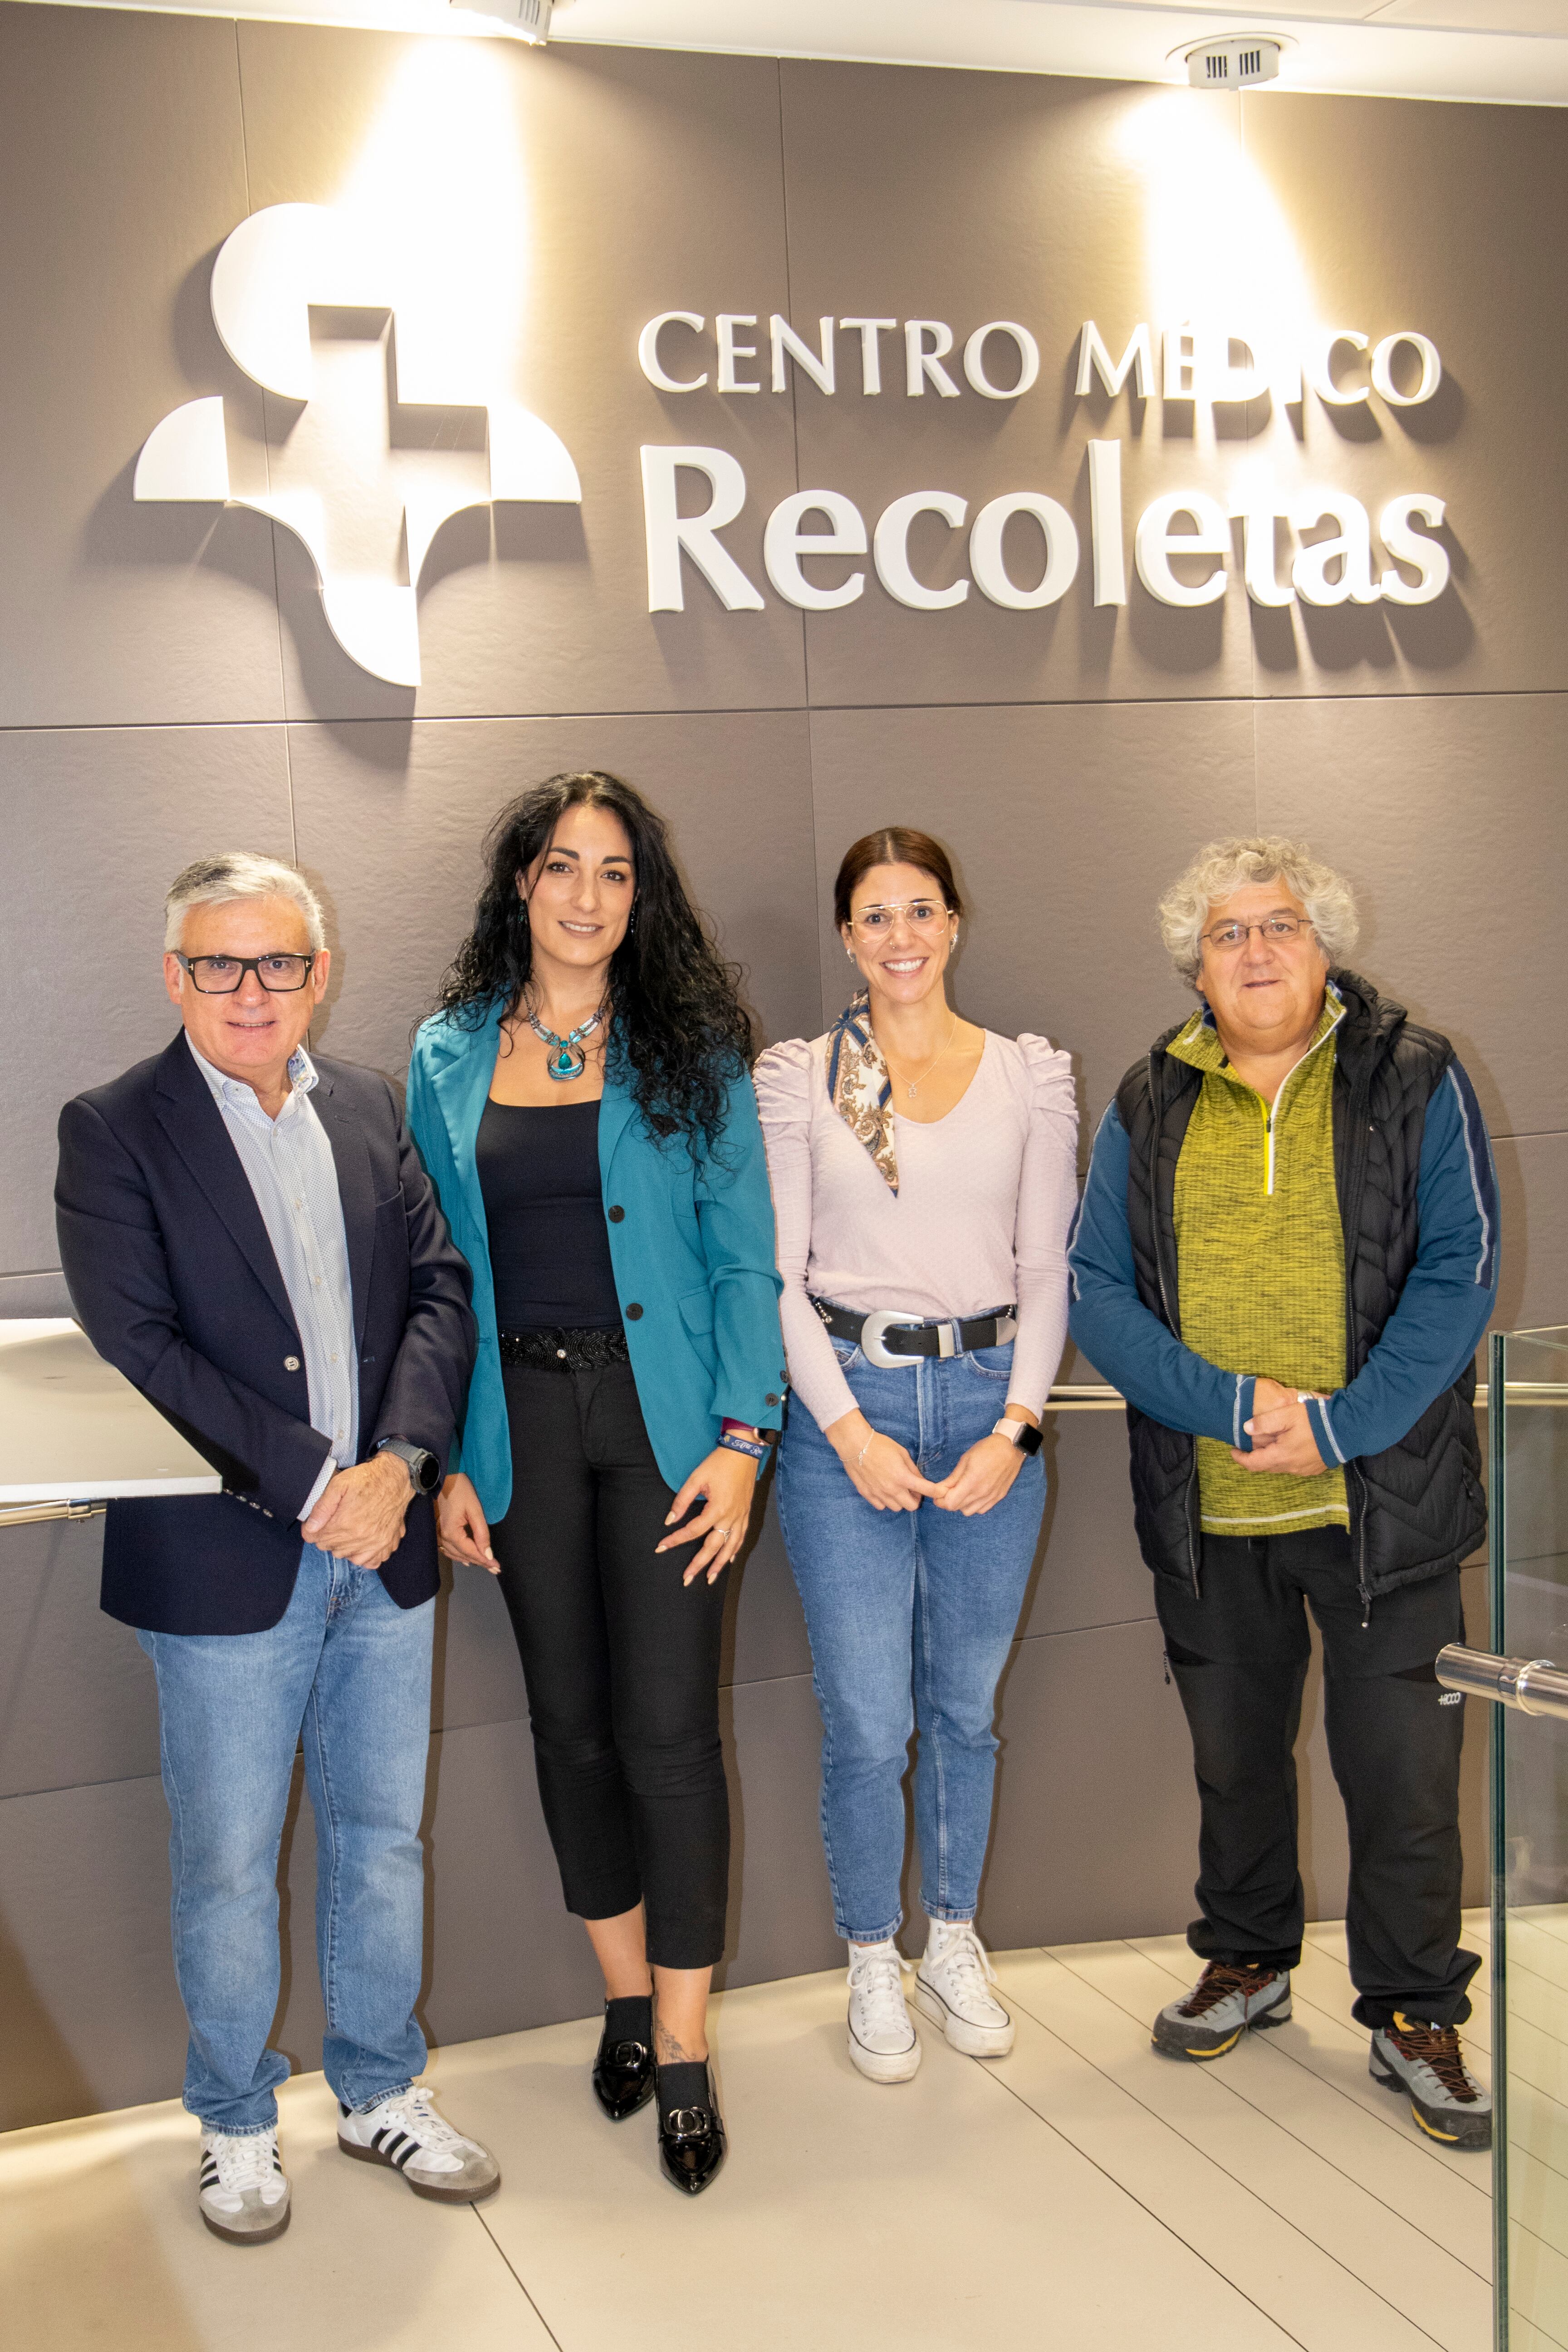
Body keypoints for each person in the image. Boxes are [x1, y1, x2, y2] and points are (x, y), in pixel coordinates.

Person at [54, 853, 496, 2247]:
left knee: (383, 1842)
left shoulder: (364, 1105)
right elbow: (142, 1345)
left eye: (280, 962)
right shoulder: (113, 1129)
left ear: (320, 971)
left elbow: (440, 1293)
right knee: (232, 1862)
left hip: (387, 1551)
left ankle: (378, 2089)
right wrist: (321, 1486)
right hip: (226, 1562)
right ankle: (237, 2120)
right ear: (175, 974)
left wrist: (402, 1466)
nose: (253, 990)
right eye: (221, 963)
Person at [1068, 836, 1498, 2150]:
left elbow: (1461, 1271)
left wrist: (1338, 1428)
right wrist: (1229, 1408)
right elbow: (1097, 1288)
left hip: (1384, 1506)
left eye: (1281, 927)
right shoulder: (1149, 1097)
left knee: (1405, 1778)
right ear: (1195, 966)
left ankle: (1415, 2009)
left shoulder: (1415, 1075)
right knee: (1234, 1763)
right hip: (1207, 1510)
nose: (1255, 952)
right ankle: (1247, 1960)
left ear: (1325, 948)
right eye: (1227, 934)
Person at [407, 771, 785, 2197]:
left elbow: (746, 1261)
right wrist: (447, 1460)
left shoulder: (694, 1045)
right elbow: (436, 1274)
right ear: (521, 882)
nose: (587, 896)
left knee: (670, 1736)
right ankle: (625, 1996)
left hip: (669, 1430)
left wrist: (744, 1445)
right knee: (570, 1732)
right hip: (515, 1432)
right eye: (562, 866)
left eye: (615, 872)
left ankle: (684, 2047)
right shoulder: (448, 1051)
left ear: (643, 895)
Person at [755, 827, 1078, 2085]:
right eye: (877, 916)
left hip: (993, 1402)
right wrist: (845, 1429)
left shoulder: (1028, 1076)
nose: (903, 936)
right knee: (867, 1720)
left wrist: (1018, 1426)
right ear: (848, 937)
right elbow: (779, 1277)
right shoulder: (803, 1079)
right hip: (850, 1409)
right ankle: (870, 1957)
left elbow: (1045, 1268)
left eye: (922, 910)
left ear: (955, 922)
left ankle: (951, 1939)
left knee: (964, 1709)